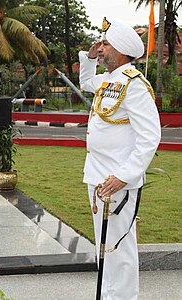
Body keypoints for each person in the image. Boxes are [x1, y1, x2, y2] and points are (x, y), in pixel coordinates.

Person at [79, 17, 161, 300]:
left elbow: (149, 136)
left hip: (117, 182)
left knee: (120, 249)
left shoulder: (133, 84)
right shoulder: (107, 80)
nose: (100, 48)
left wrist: (124, 176)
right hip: (97, 176)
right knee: (105, 247)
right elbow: (86, 80)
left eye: (104, 44)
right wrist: (89, 58)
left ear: (121, 48)